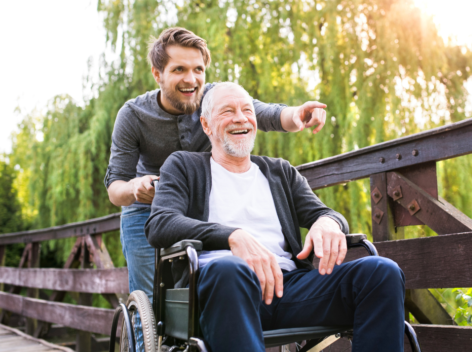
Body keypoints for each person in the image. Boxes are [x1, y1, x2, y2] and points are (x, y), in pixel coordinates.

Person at [145, 82, 406, 351]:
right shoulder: (184, 166)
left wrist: (329, 222)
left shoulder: (280, 171)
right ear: (206, 125)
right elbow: (160, 224)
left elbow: (323, 212)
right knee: (230, 269)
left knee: (381, 272)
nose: (240, 117)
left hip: (288, 289)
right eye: (227, 111)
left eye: (247, 110)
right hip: (222, 288)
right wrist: (232, 237)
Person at [105, 27, 328, 300]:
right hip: (146, 211)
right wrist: (135, 188)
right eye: (179, 70)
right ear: (157, 74)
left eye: (198, 69)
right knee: (150, 302)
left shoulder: (215, 100)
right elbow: (115, 188)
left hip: (198, 207)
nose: (191, 79)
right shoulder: (132, 115)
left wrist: (299, 114)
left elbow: (266, 114)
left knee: (198, 297)